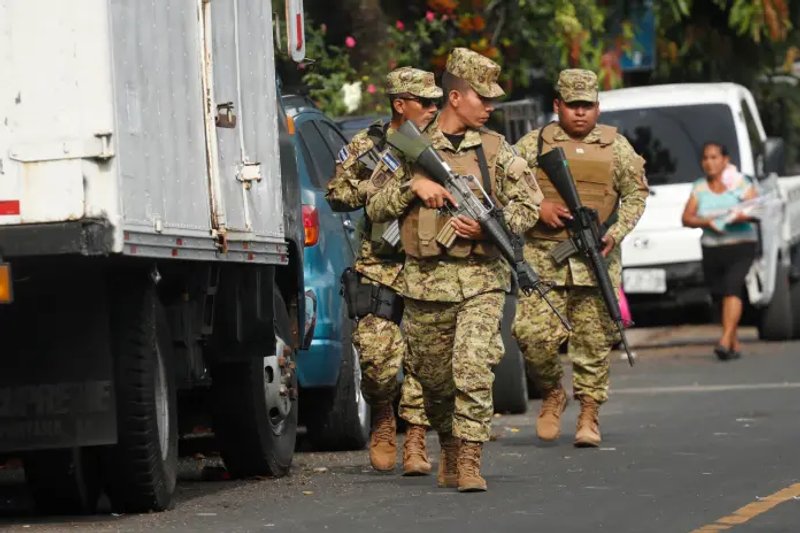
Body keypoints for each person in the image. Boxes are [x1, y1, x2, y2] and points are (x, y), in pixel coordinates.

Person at [366, 48, 542, 492]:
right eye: (483, 97)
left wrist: (489, 228)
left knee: (473, 366)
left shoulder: (497, 150)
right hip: (424, 286)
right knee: (433, 380)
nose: (490, 107)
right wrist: (413, 186)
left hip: (482, 281)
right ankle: (447, 441)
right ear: (456, 98)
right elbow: (373, 204)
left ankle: (469, 459)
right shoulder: (409, 144)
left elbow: (529, 205)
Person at [512, 69, 648, 448]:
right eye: (572, 105)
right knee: (532, 335)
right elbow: (505, 186)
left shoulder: (616, 147)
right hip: (544, 259)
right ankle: (553, 392)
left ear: (598, 107)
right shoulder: (532, 145)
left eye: (587, 105)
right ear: (558, 106)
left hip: (595, 260)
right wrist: (540, 207)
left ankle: (589, 412)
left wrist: (614, 233)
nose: (580, 113)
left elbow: (636, 195)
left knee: (593, 341)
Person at [325, 67, 441, 475]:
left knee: (425, 359)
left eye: (435, 101)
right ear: (399, 104)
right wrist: (377, 190)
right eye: (424, 101)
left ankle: (414, 439)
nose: (432, 108)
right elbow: (337, 194)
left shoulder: (442, 143)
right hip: (380, 263)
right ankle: (382, 414)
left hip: (430, 264)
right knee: (377, 360)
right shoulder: (368, 145)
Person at [681, 142, 758, 360]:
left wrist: (738, 216)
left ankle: (724, 341)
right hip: (712, 248)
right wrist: (707, 222)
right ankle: (733, 342)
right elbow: (687, 217)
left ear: (725, 160)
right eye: (705, 158)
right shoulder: (699, 187)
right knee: (718, 295)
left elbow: (757, 210)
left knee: (733, 287)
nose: (709, 163)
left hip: (741, 245)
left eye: (714, 157)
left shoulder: (740, 183)